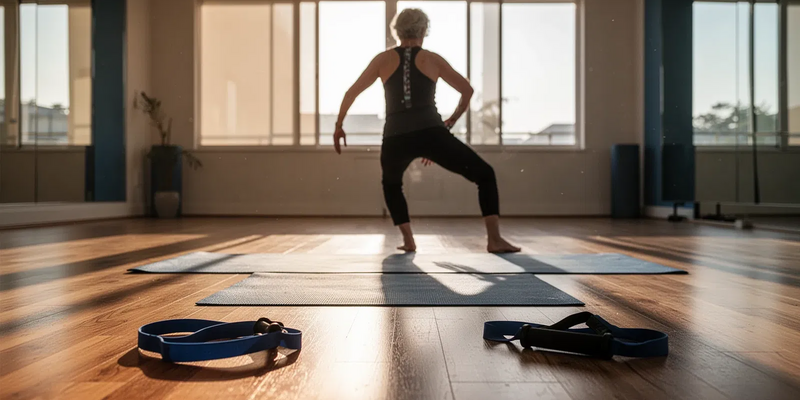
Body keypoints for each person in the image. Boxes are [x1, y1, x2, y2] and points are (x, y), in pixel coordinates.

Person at [333, 8, 520, 254]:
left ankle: (409, 240)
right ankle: (494, 240)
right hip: (431, 133)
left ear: (397, 31)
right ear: (423, 30)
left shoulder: (383, 59)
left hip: (395, 138)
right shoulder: (432, 59)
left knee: (391, 184)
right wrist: (450, 122)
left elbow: (351, 92)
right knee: (484, 174)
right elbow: (467, 90)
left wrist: (338, 126)